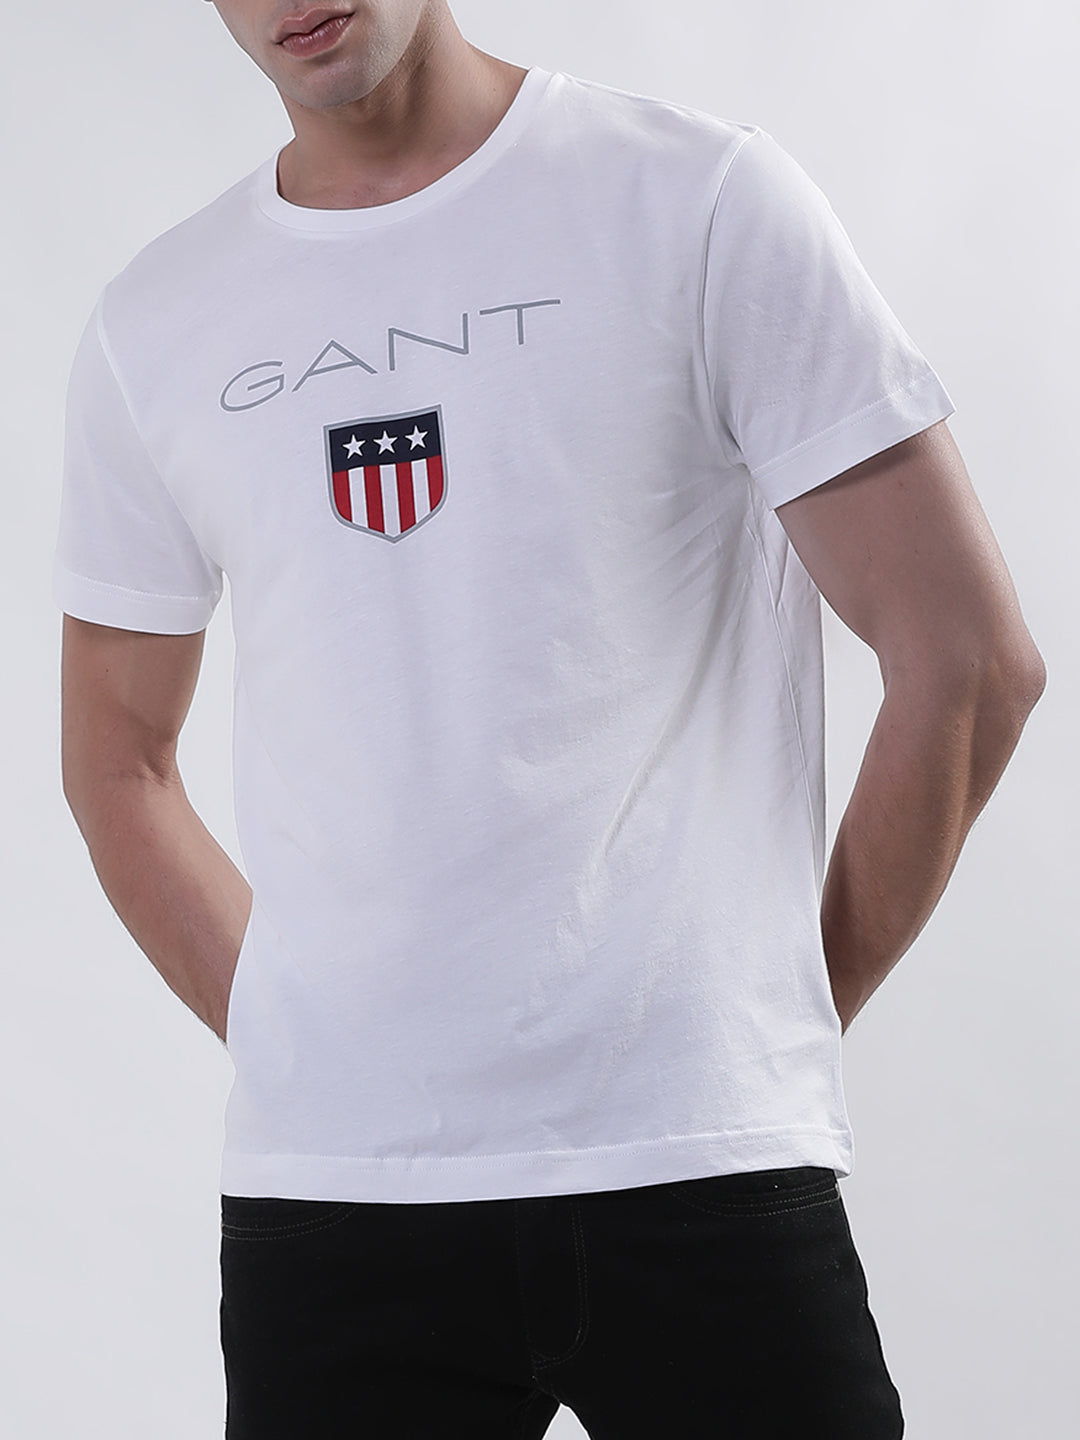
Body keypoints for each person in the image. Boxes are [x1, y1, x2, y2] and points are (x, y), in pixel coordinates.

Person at [53, 3, 1046, 1437]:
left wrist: (765, 1021)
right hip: (341, 1210)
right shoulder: (155, 322)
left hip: (699, 1172)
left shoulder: (697, 201)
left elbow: (969, 661)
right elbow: (117, 761)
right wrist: (300, 1039)